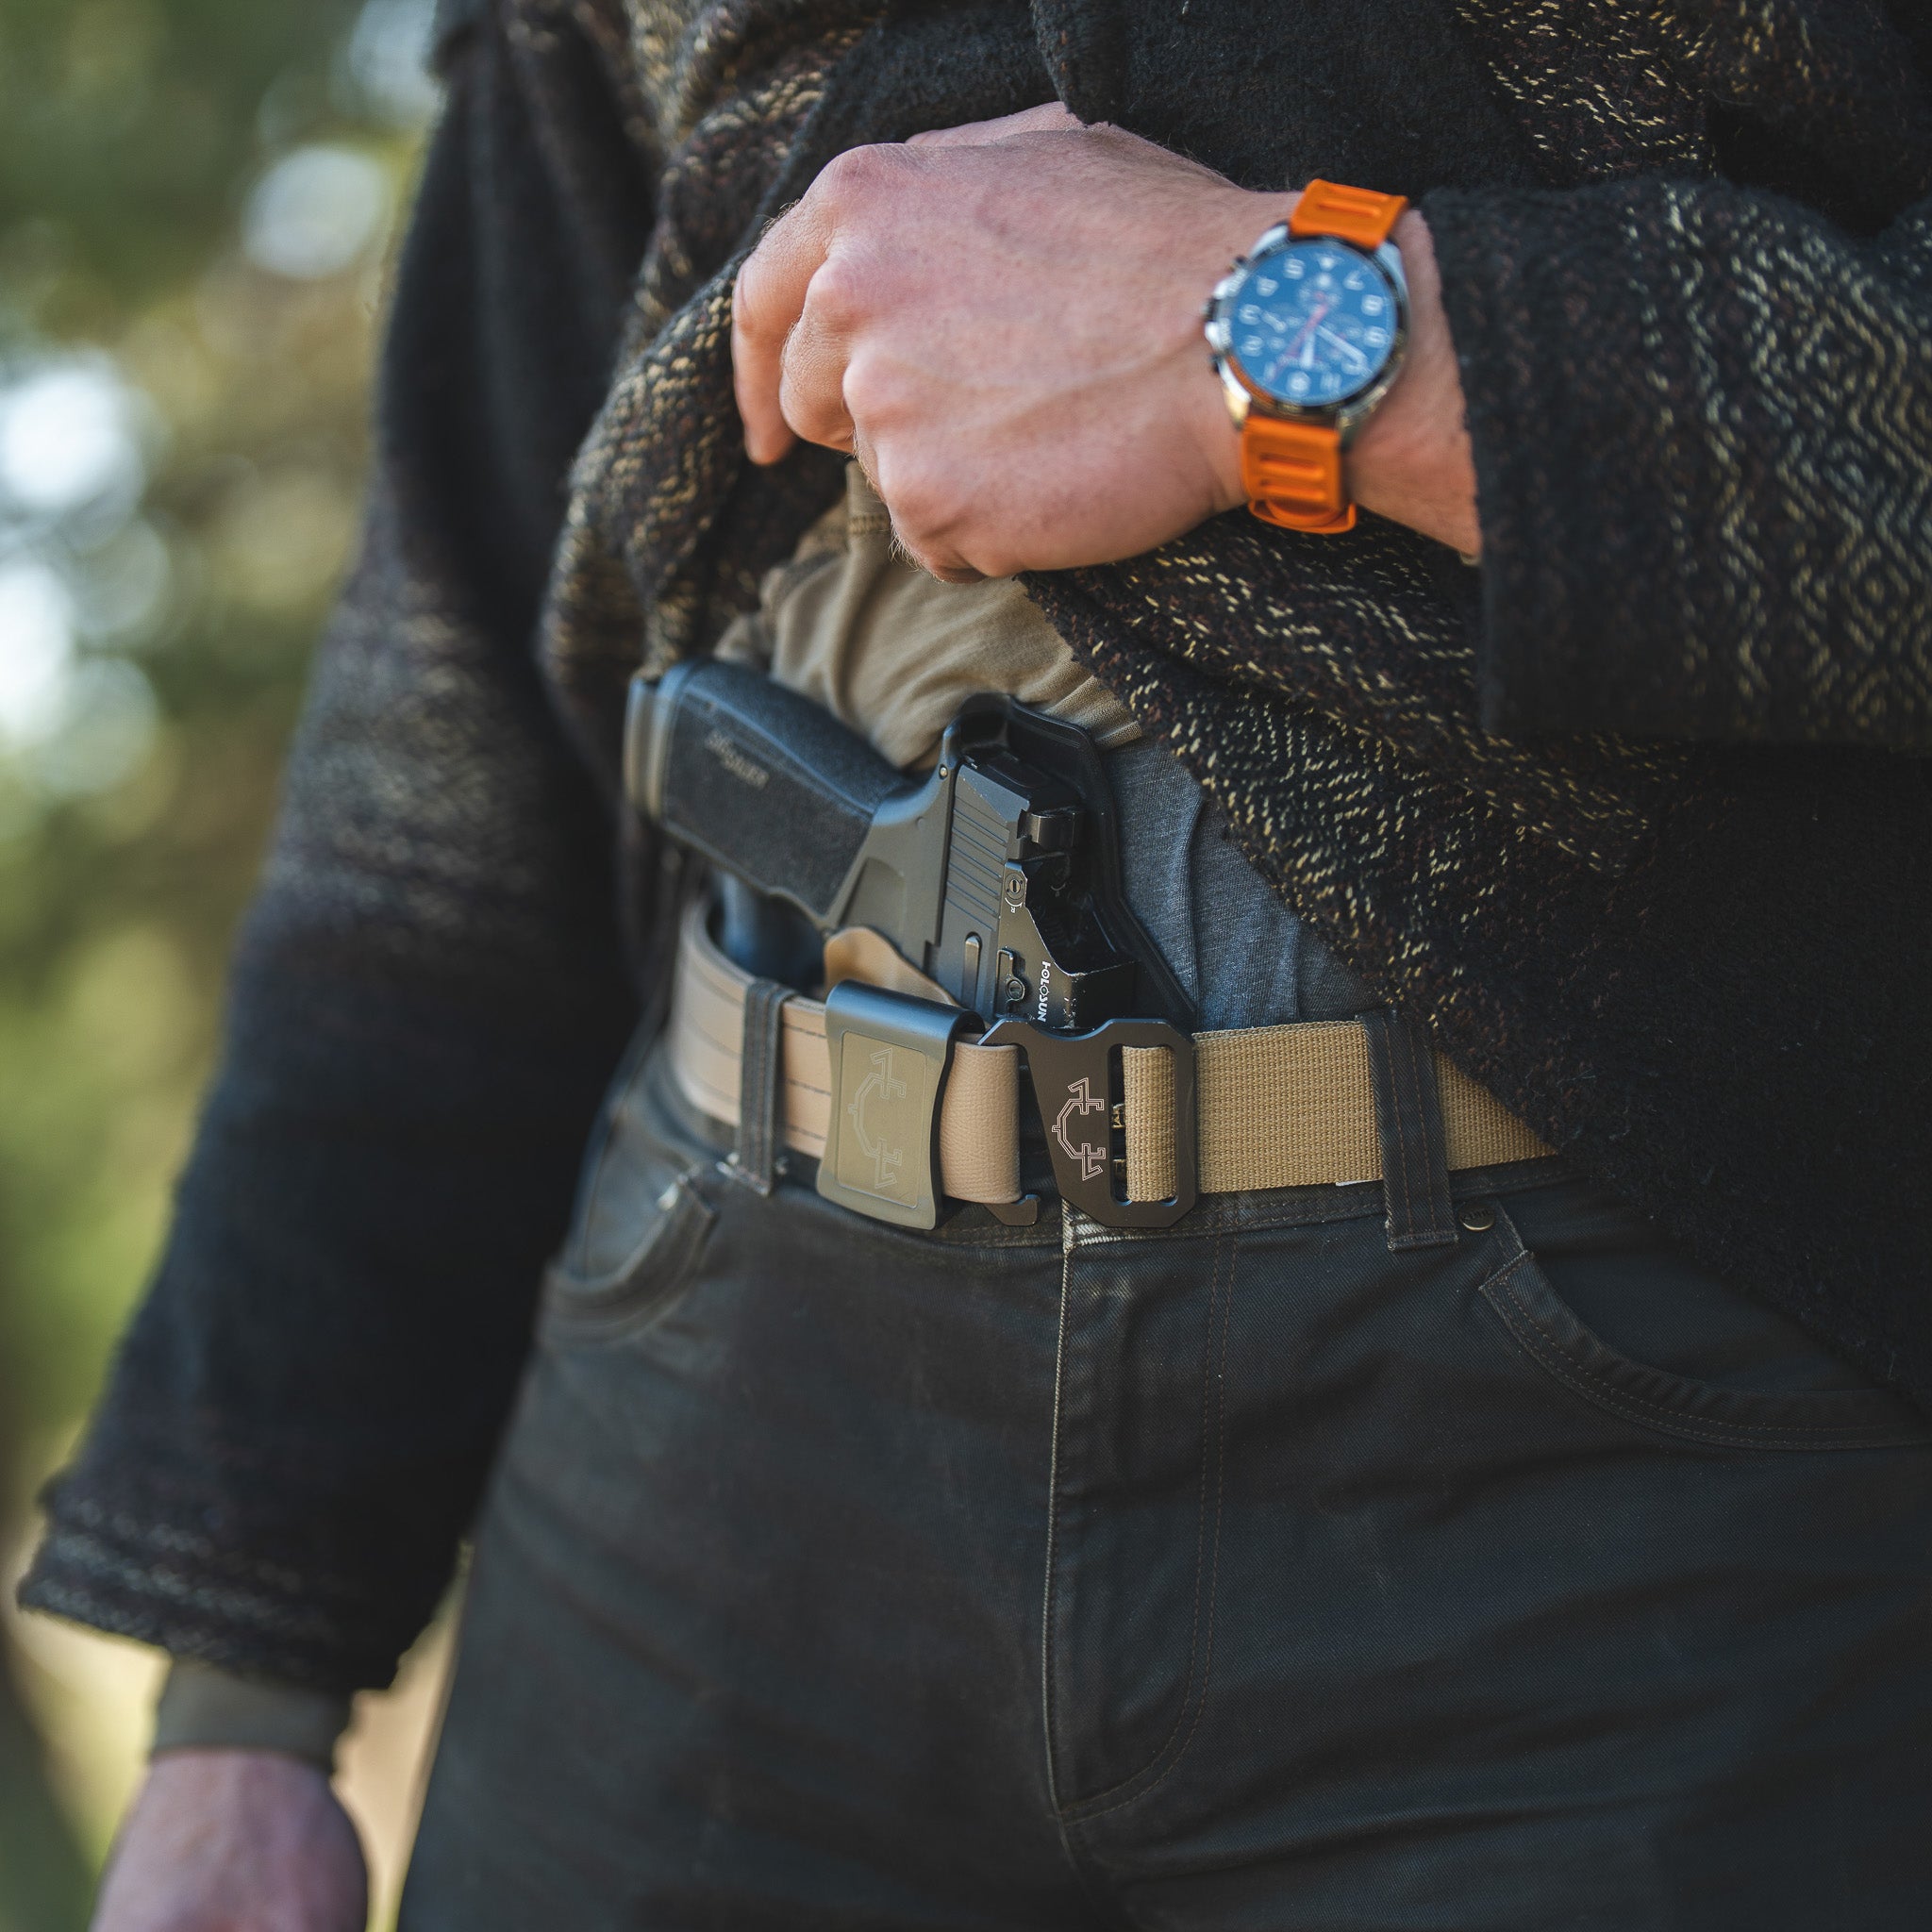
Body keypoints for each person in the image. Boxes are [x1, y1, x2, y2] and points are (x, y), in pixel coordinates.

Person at [27, 0, 1932, 1924]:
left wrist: (1320, 339)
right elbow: (464, 662)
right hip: (714, 1413)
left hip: (1631, 1439)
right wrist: (242, 1686)